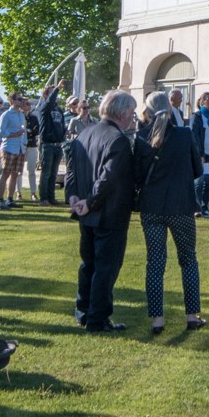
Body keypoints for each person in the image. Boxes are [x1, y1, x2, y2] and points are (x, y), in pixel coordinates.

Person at [67, 90, 138, 333]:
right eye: (131, 113)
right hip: (108, 213)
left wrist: (74, 196)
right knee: (105, 268)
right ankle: (97, 318)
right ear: (122, 113)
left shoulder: (85, 133)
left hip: (87, 211)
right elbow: (109, 179)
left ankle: (84, 310)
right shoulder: (118, 140)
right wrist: (88, 201)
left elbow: (72, 170)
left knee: (89, 264)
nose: (132, 118)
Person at [134, 90, 204, 332]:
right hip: (181, 206)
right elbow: (198, 170)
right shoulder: (184, 136)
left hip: (151, 207)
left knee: (155, 263)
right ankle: (192, 315)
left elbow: (137, 175)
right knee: (188, 260)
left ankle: (157, 319)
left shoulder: (141, 136)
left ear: (148, 111)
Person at [0, 95, 27, 210]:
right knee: (5, 173)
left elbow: (24, 132)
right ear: (12, 101)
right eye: (19, 99)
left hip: (20, 148)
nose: (22, 101)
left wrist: (24, 142)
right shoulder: (6, 115)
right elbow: (0, 132)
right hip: (8, 148)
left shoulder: (21, 115)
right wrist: (14, 134)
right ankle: (0, 200)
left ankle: (10, 199)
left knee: (15, 174)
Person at [37, 82, 67, 205]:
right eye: (52, 93)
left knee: (53, 173)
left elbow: (61, 124)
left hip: (57, 144)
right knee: (46, 173)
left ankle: (51, 197)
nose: (56, 95)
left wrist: (64, 133)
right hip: (47, 144)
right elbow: (49, 102)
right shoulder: (43, 107)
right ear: (46, 95)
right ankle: (43, 198)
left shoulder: (59, 109)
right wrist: (57, 88)